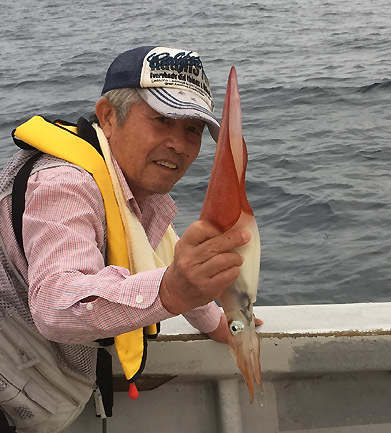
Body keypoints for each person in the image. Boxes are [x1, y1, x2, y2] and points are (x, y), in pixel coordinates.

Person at [0, 45, 253, 432]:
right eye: (161, 120)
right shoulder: (63, 184)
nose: (180, 145)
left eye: (192, 129)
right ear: (108, 115)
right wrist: (170, 292)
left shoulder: (130, 185)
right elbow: (55, 303)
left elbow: (163, 257)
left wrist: (219, 323)